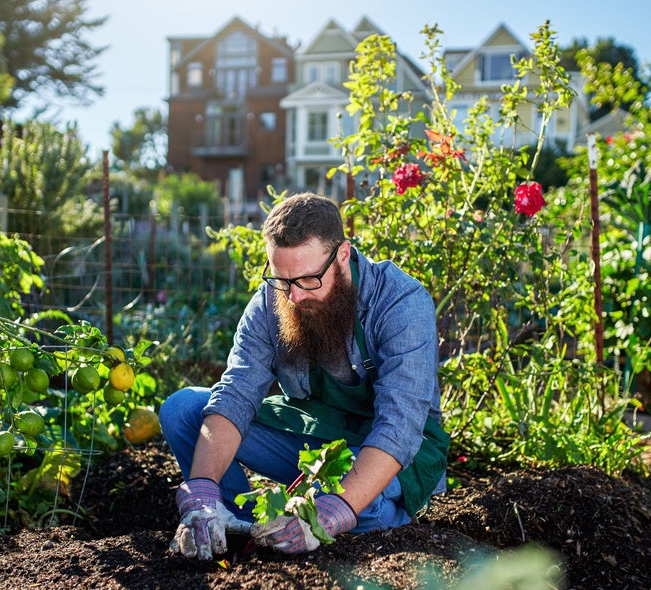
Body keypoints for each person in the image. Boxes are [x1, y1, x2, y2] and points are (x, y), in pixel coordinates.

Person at [159, 192, 449, 560]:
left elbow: (400, 425)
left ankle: (354, 517)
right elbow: (236, 393)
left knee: (357, 506)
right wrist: (201, 489)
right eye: (282, 279)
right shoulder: (272, 300)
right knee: (183, 409)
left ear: (342, 254)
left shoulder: (400, 302)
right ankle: (243, 528)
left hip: (392, 449)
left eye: (309, 279)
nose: (294, 296)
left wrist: (337, 509)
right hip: (315, 436)